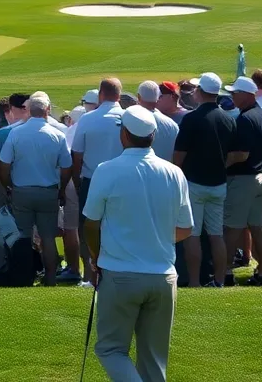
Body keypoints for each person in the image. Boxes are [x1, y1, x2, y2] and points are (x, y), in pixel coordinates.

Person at [84, 105, 193, 382]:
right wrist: (154, 237)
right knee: (154, 360)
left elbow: (91, 223)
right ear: (153, 135)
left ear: (124, 134)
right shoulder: (174, 173)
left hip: (120, 274)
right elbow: (185, 228)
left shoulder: (107, 170)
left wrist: (96, 256)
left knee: (110, 349)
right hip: (163, 277)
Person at [0, 91, 72, 285]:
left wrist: (8, 185)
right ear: (48, 110)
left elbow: (4, 165)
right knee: (48, 237)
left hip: (22, 191)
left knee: (23, 236)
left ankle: (24, 276)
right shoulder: (57, 135)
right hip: (48, 191)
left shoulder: (16, 133)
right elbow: (66, 167)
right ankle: (50, 278)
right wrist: (62, 189)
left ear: (28, 110)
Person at [172, 72, 236, 288]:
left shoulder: (191, 119)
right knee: (216, 234)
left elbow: (179, 155)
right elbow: (231, 154)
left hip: (195, 184)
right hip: (218, 184)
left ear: (200, 92)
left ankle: (195, 282)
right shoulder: (228, 119)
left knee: (193, 234)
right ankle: (219, 281)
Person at [71, 78, 125, 284]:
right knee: (117, 227)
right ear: (119, 95)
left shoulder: (88, 119)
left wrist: (76, 181)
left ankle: (90, 274)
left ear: (101, 94)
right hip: (121, 182)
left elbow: (77, 154)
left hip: (92, 181)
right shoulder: (127, 117)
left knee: (88, 227)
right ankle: (116, 272)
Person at [223, 75, 262, 286]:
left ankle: (225, 272)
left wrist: (221, 166)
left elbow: (241, 154)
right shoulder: (261, 114)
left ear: (246, 94)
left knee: (232, 227)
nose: (232, 97)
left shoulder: (245, 119)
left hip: (244, 179)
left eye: (235, 93)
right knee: (257, 226)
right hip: (260, 177)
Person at [136, 81, 180, 162]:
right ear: (158, 97)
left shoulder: (131, 120)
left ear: (138, 97)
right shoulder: (172, 125)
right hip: (165, 168)